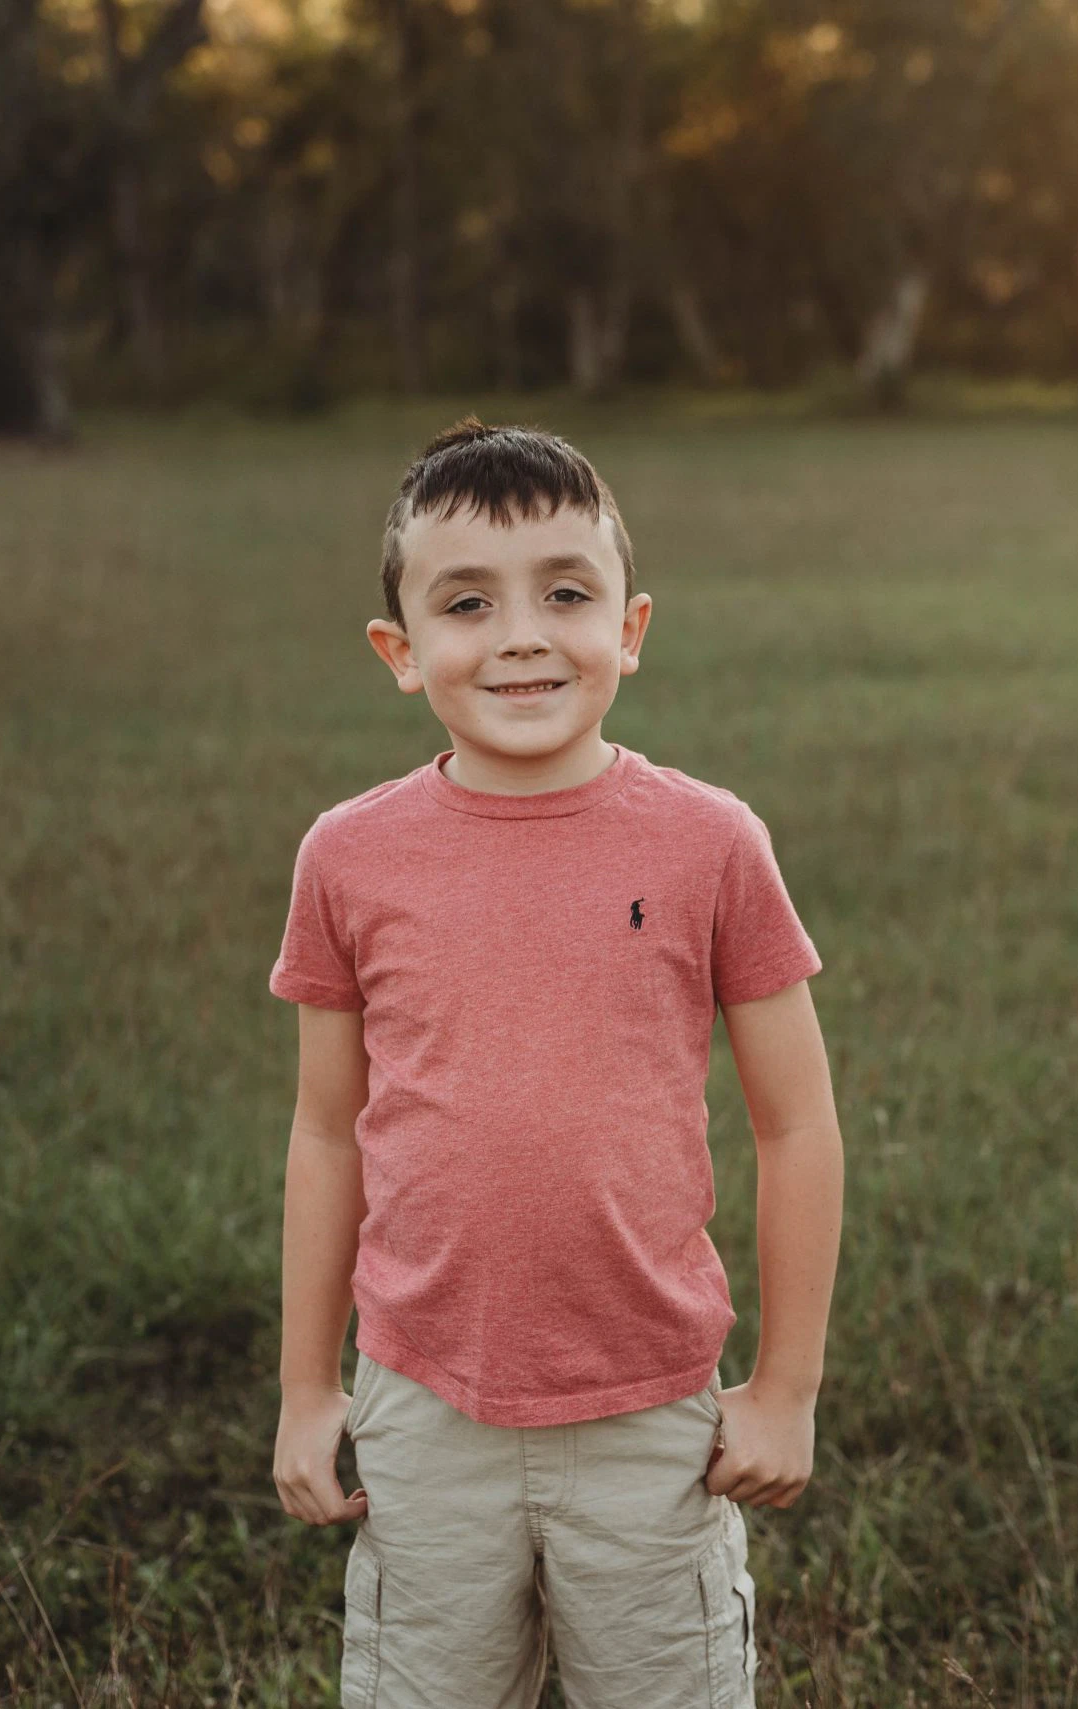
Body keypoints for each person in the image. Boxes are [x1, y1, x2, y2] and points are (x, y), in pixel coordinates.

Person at [266, 418, 846, 1708]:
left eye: (566, 593)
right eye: (468, 602)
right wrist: (309, 1388)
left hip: (652, 1417)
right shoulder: (348, 859)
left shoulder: (710, 844)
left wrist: (787, 1388)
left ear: (631, 629)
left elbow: (797, 1124)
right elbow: (323, 1132)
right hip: (422, 1408)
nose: (522, 634)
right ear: (402, 653)